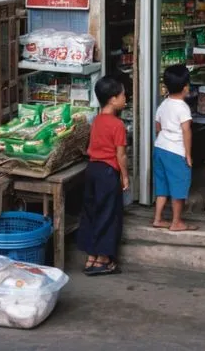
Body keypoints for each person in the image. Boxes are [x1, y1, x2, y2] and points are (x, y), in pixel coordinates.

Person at [77, 76, 129, 276]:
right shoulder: (117, 125)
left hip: (92, 170)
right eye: (123, 94)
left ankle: (91, 257)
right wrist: (124, 176)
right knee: (109, 214)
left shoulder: (97, 120)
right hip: (108, 172)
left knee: (91, 211)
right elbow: (121, 155)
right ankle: (103, 259)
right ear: (113, 99)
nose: (126, 98)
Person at [152, 65, 198, 232]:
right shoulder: (183, 108)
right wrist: (188, 154)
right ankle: (176, 222)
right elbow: (187, 132)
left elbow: (157, 126)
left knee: (162, 185)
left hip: (160, 148)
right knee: (179, 186)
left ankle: (157, 218)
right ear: (186, 88)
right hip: (176, 151)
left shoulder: (164, 104)